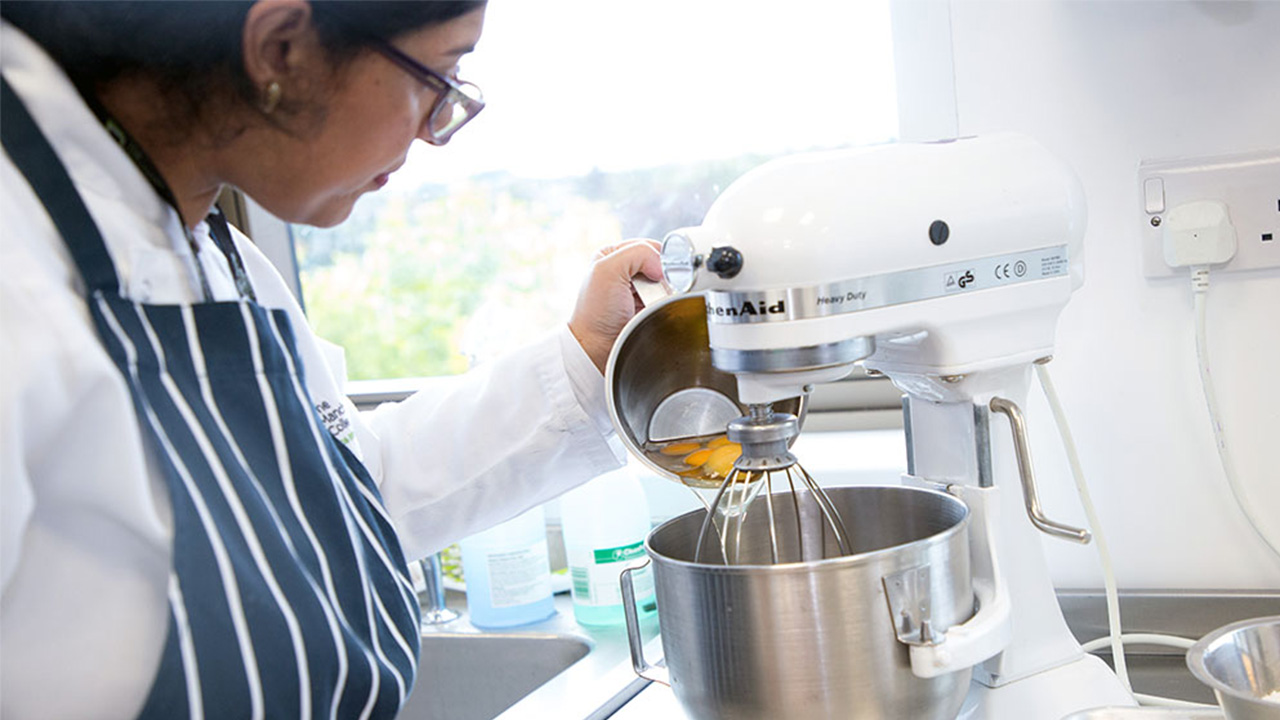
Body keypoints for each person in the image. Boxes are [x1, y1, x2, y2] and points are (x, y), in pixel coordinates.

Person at [0, 2, 662, 718]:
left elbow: (345, 497)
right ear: (280, 49)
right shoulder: (20, 277)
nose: (436, 129)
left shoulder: (208, 244)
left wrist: (590, 357)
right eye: (437, 77)